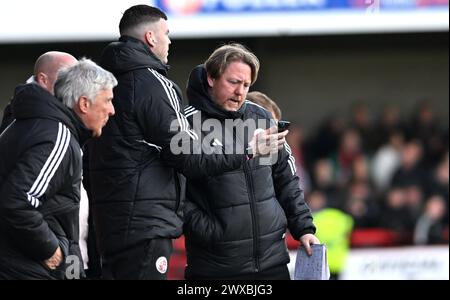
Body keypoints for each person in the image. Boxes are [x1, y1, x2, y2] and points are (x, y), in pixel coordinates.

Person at [83, 5, 283, 280]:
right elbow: (187, 157)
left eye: (246, 85)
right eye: (167, 34)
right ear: (151, 37)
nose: (169, 42)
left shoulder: (102, 83)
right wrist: (247, 151)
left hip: (108, 223)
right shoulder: (154, 83)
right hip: (146, 225)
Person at [182, 43, 319, 280]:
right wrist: (212, 231)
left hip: (272, 262)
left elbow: (285, 179)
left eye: (246, 85)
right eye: (234, 82)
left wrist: (304, 228)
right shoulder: (187, 124)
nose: (240, 92)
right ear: (211, 78)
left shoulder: (261, 117)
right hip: (216, 267)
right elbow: (172, 190)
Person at [0, 58, 117, 279]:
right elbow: (17, 202)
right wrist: (51, 251)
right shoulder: (57, 136)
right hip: (28, 269)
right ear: (84, 104)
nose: (112, 110)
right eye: (108, 100)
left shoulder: (33, 124)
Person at [0, 51, 77, 133]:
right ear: (43, 80)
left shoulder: (24, 107)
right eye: (68, 77)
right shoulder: (35, 117)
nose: (77, 84)